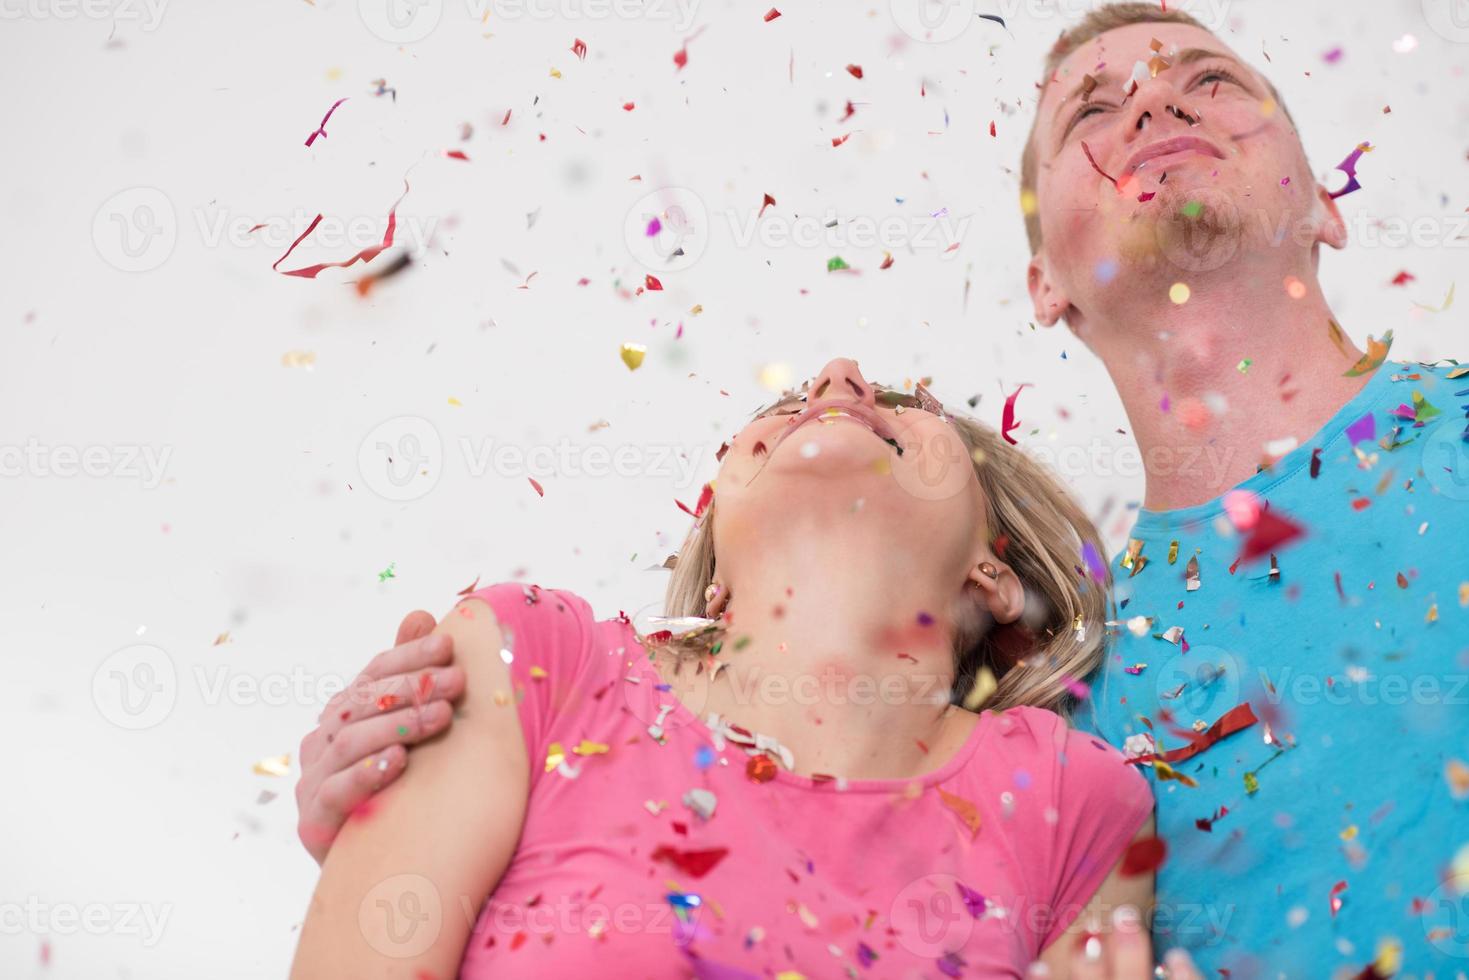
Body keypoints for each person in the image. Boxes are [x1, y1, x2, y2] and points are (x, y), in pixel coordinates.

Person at [290, 358, 1191, 978]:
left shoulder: (1071, 804)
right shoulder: (530, 659)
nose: (836, 379)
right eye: (790, 398)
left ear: (991, 576)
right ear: (715, 566)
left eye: (892, 401)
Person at [1020, 5, 1467, 975]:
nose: (1151, 99)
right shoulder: (1056, 715)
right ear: (1043, 281)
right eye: (1089, 110)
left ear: (1321, 203)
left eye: (1208, 79)